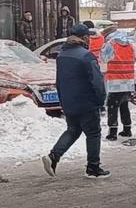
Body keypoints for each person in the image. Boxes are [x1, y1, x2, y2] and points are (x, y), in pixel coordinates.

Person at [42, 24, 110, 179]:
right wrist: (101, 100)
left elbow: (59, 81)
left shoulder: (62, 55)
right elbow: (97, 82)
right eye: (88, 37)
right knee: (93, 133)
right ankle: (93, 168)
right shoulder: (86, 56)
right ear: (84, 38)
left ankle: (53, 157)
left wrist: (63, 100)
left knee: (73, 130)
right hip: (86, 102)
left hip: (69, 102)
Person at [101, 32, 136, 140]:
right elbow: (134, 59)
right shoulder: (130, 45)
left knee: (113, 107)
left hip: (115, 83)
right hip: (128, 82)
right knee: (124, 106)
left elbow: (104, 58)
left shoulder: (112, 44)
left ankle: (112, 133)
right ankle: (127, 129)